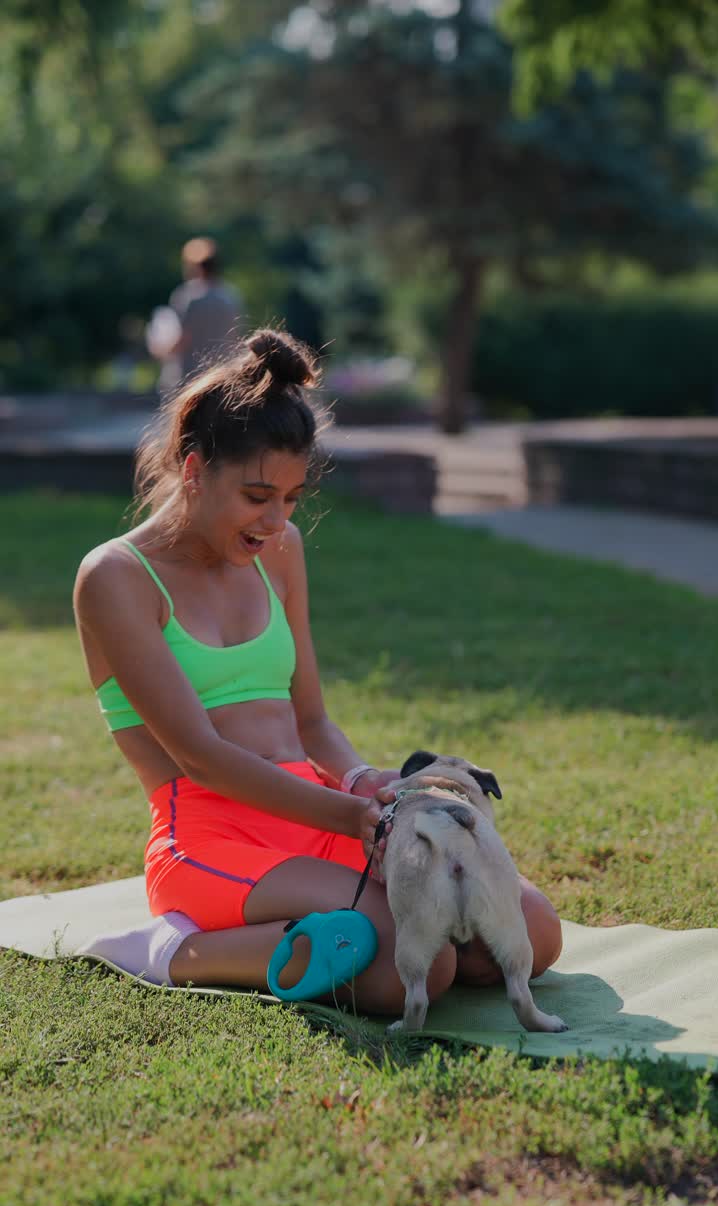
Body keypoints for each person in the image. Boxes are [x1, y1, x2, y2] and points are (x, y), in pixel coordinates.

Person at [73, 329, 562, 1016]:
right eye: (256, 496)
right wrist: (355, 815)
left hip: (318, 810)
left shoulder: (280, 551)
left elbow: (311, 722)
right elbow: (201, 757)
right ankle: (173, 951)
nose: (275, 521)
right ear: (193, 469)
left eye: (292, 498)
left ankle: (311, 932)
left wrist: (366, 783)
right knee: (419, 965)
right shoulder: (116, 577)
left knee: (531, 933)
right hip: (212, 836)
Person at [146, 237, 244, 391]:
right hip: (223, 377)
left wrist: (159, 349)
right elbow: (235, 338)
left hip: (190, 379)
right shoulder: (231, 296)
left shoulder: (189, 296)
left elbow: (183, 340)